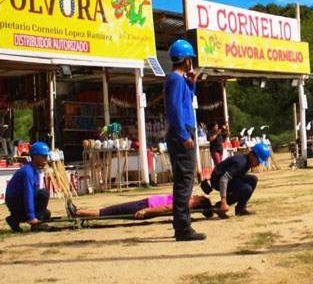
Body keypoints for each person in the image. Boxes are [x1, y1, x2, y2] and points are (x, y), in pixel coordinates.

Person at [164, 39, 205, 241]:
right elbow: (173, 110)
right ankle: (182, 227)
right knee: (184, 182)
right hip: (182, 133)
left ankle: (183, 225)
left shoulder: (179, 81)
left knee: (186, 182)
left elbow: (185, 100)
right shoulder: (174, 79)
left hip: (184, 130)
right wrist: (183, 135)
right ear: (186, 60)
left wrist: (192, 84)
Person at [201, 143, 271, 217]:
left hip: (229, 178)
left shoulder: (247, 162)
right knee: (246, 189)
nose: (259, 164)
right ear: (252, 155)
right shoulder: (240, 163)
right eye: (258, 161)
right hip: (218, 180)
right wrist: (223, 202)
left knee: (253, 179)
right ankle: (219, 206)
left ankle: (241, 208)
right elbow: (224, 179)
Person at [4, 142, 53, 232]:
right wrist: (32, 217)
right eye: (44, 157)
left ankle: (14, 219)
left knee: (46, 214)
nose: (46, 160)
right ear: (35, 156)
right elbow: (28, 195)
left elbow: (34, 193)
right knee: (44, 193)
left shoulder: (36, 171)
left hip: (19, 201)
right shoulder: (27, 171)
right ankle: (35, 225)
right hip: (15, 201)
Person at [66, 194, 216, 219]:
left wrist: (146, 210)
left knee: (111, 211)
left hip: (146, 206)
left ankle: (78, 213)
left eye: (198, 197)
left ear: (198, 202)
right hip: (147, 203)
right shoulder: (189, 200)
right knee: (112, 209)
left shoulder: (189, 203)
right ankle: (79, 211)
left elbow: (166, 208)